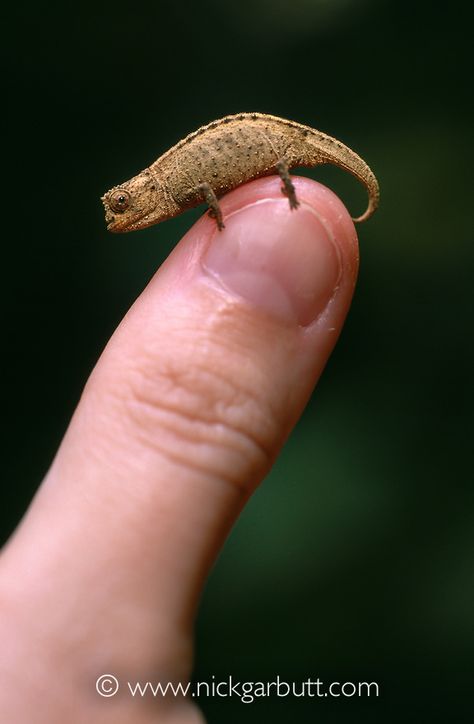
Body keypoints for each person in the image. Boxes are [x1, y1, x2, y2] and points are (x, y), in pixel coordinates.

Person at [0, 175, 360, 723]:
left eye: (121, 205)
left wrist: (228, 226)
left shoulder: (171, 182)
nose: (118, 217)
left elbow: (208, 187)